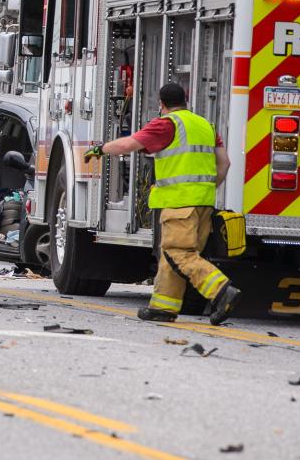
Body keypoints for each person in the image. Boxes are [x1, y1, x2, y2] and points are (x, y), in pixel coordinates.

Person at [84, 82, 240, 325]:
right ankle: (162, 308)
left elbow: (128, 144)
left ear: (162, 104)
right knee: (171, 256)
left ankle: (221, 290)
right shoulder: (206, 126)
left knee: (180, 253)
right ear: (185, 100)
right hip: (203, 204)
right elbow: (225, 164)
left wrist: (100, 149)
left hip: (179, 204)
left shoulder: (167, 124)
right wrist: (207, 189)